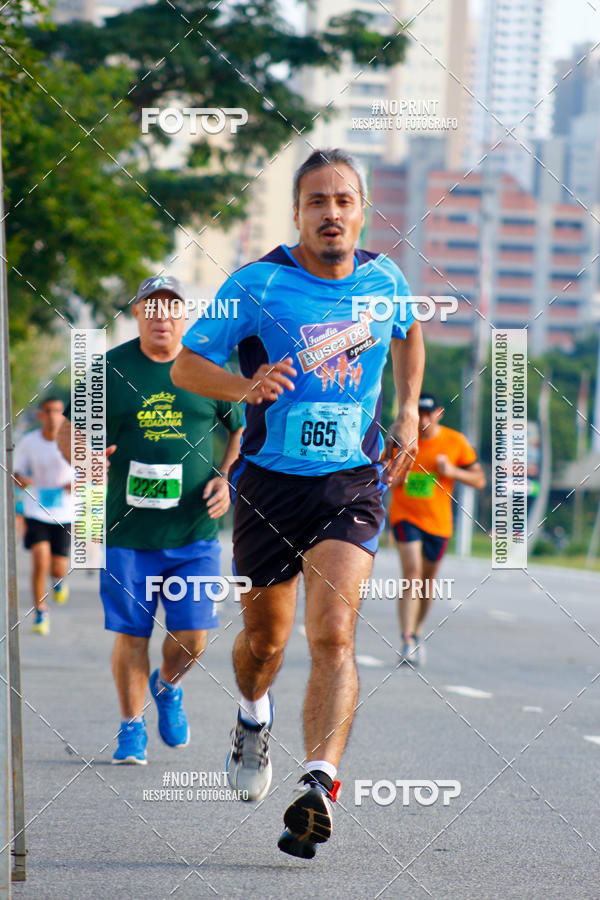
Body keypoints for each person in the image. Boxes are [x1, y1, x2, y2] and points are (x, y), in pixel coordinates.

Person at [171, 148, 425, 858]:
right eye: (317, 201)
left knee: (335, 635)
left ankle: (319, 784)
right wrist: (243, 388)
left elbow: (409, 332)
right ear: (297, 213)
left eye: (344, 200)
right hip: (268, 485)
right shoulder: (256, 285)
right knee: (264, 645)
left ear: (362, 210)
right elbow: (188, 361)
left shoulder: (385, 279)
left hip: (350, 480)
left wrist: (406, 412)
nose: (332, 213)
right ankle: (253, 720)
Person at [58, 275, 243, 765]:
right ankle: (130, 727)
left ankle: (168, 685)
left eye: (171, 308)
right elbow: (69, 433)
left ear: (186, 316)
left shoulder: (208, 369)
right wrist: (85, 457)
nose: (161, 316)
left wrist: (227, 478)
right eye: (151, 307)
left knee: (194, 639)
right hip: (126, 533)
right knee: (132, 634)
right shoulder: (107, 371)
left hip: (194, 532)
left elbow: (239, 434)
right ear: (136, 313)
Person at [389, 393, 486, 665]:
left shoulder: (455, 442)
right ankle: (406, 638)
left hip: (438, 522)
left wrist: (452, 472)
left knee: (427, 583)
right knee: (412, 573)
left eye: (427, 413)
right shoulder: (403, 438)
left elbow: (479, 480)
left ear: (438, 413)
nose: (422, 418)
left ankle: (417, 630)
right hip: (405, 516)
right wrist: (395, 476)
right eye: (417, 412)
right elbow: (384, 472)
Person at [14, 397, 73, 635]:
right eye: (48, 411)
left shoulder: (73, 442)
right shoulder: (29, 442)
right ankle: (40, 610)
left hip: (64, 511)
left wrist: (75, 484)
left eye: (58, 411)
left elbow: (87, 471)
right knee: (40, 557)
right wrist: (22, 480)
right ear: (40, 415)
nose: (52, 416)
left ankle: (58, 581)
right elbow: (16, 473)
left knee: (58, 567)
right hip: (36, 508)